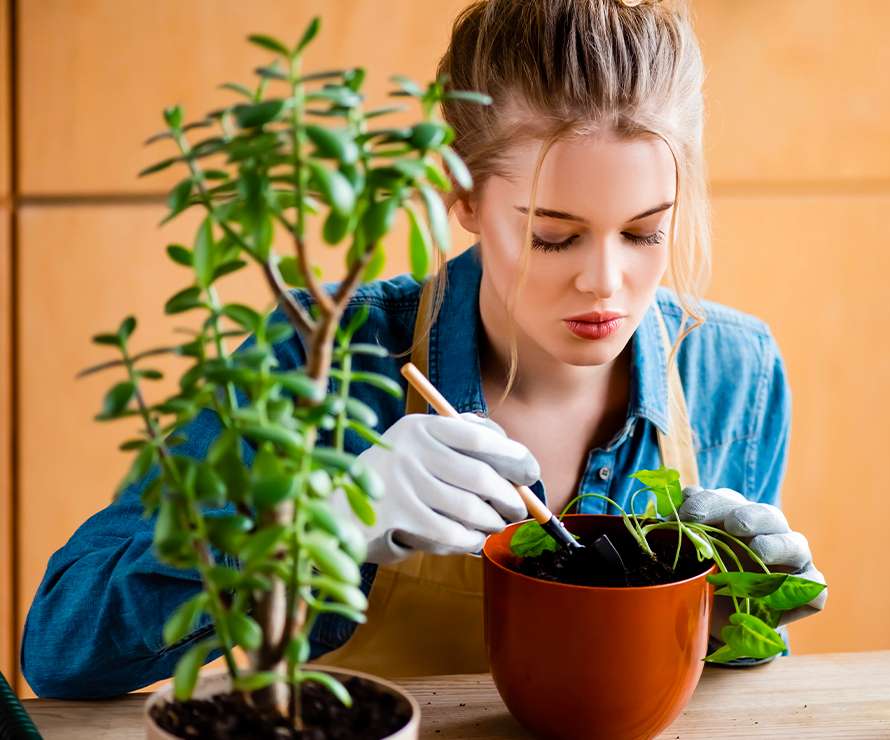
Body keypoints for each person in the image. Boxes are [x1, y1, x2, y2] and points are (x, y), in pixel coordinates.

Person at [21, 0, 826, 698]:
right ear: (465, 199)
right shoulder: (326, 354)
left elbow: (719, 693)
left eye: (646, 232)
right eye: (553, 237)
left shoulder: (733, 373)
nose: (605, 283)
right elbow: (60, 648)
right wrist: (319, 522)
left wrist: (741, 617)